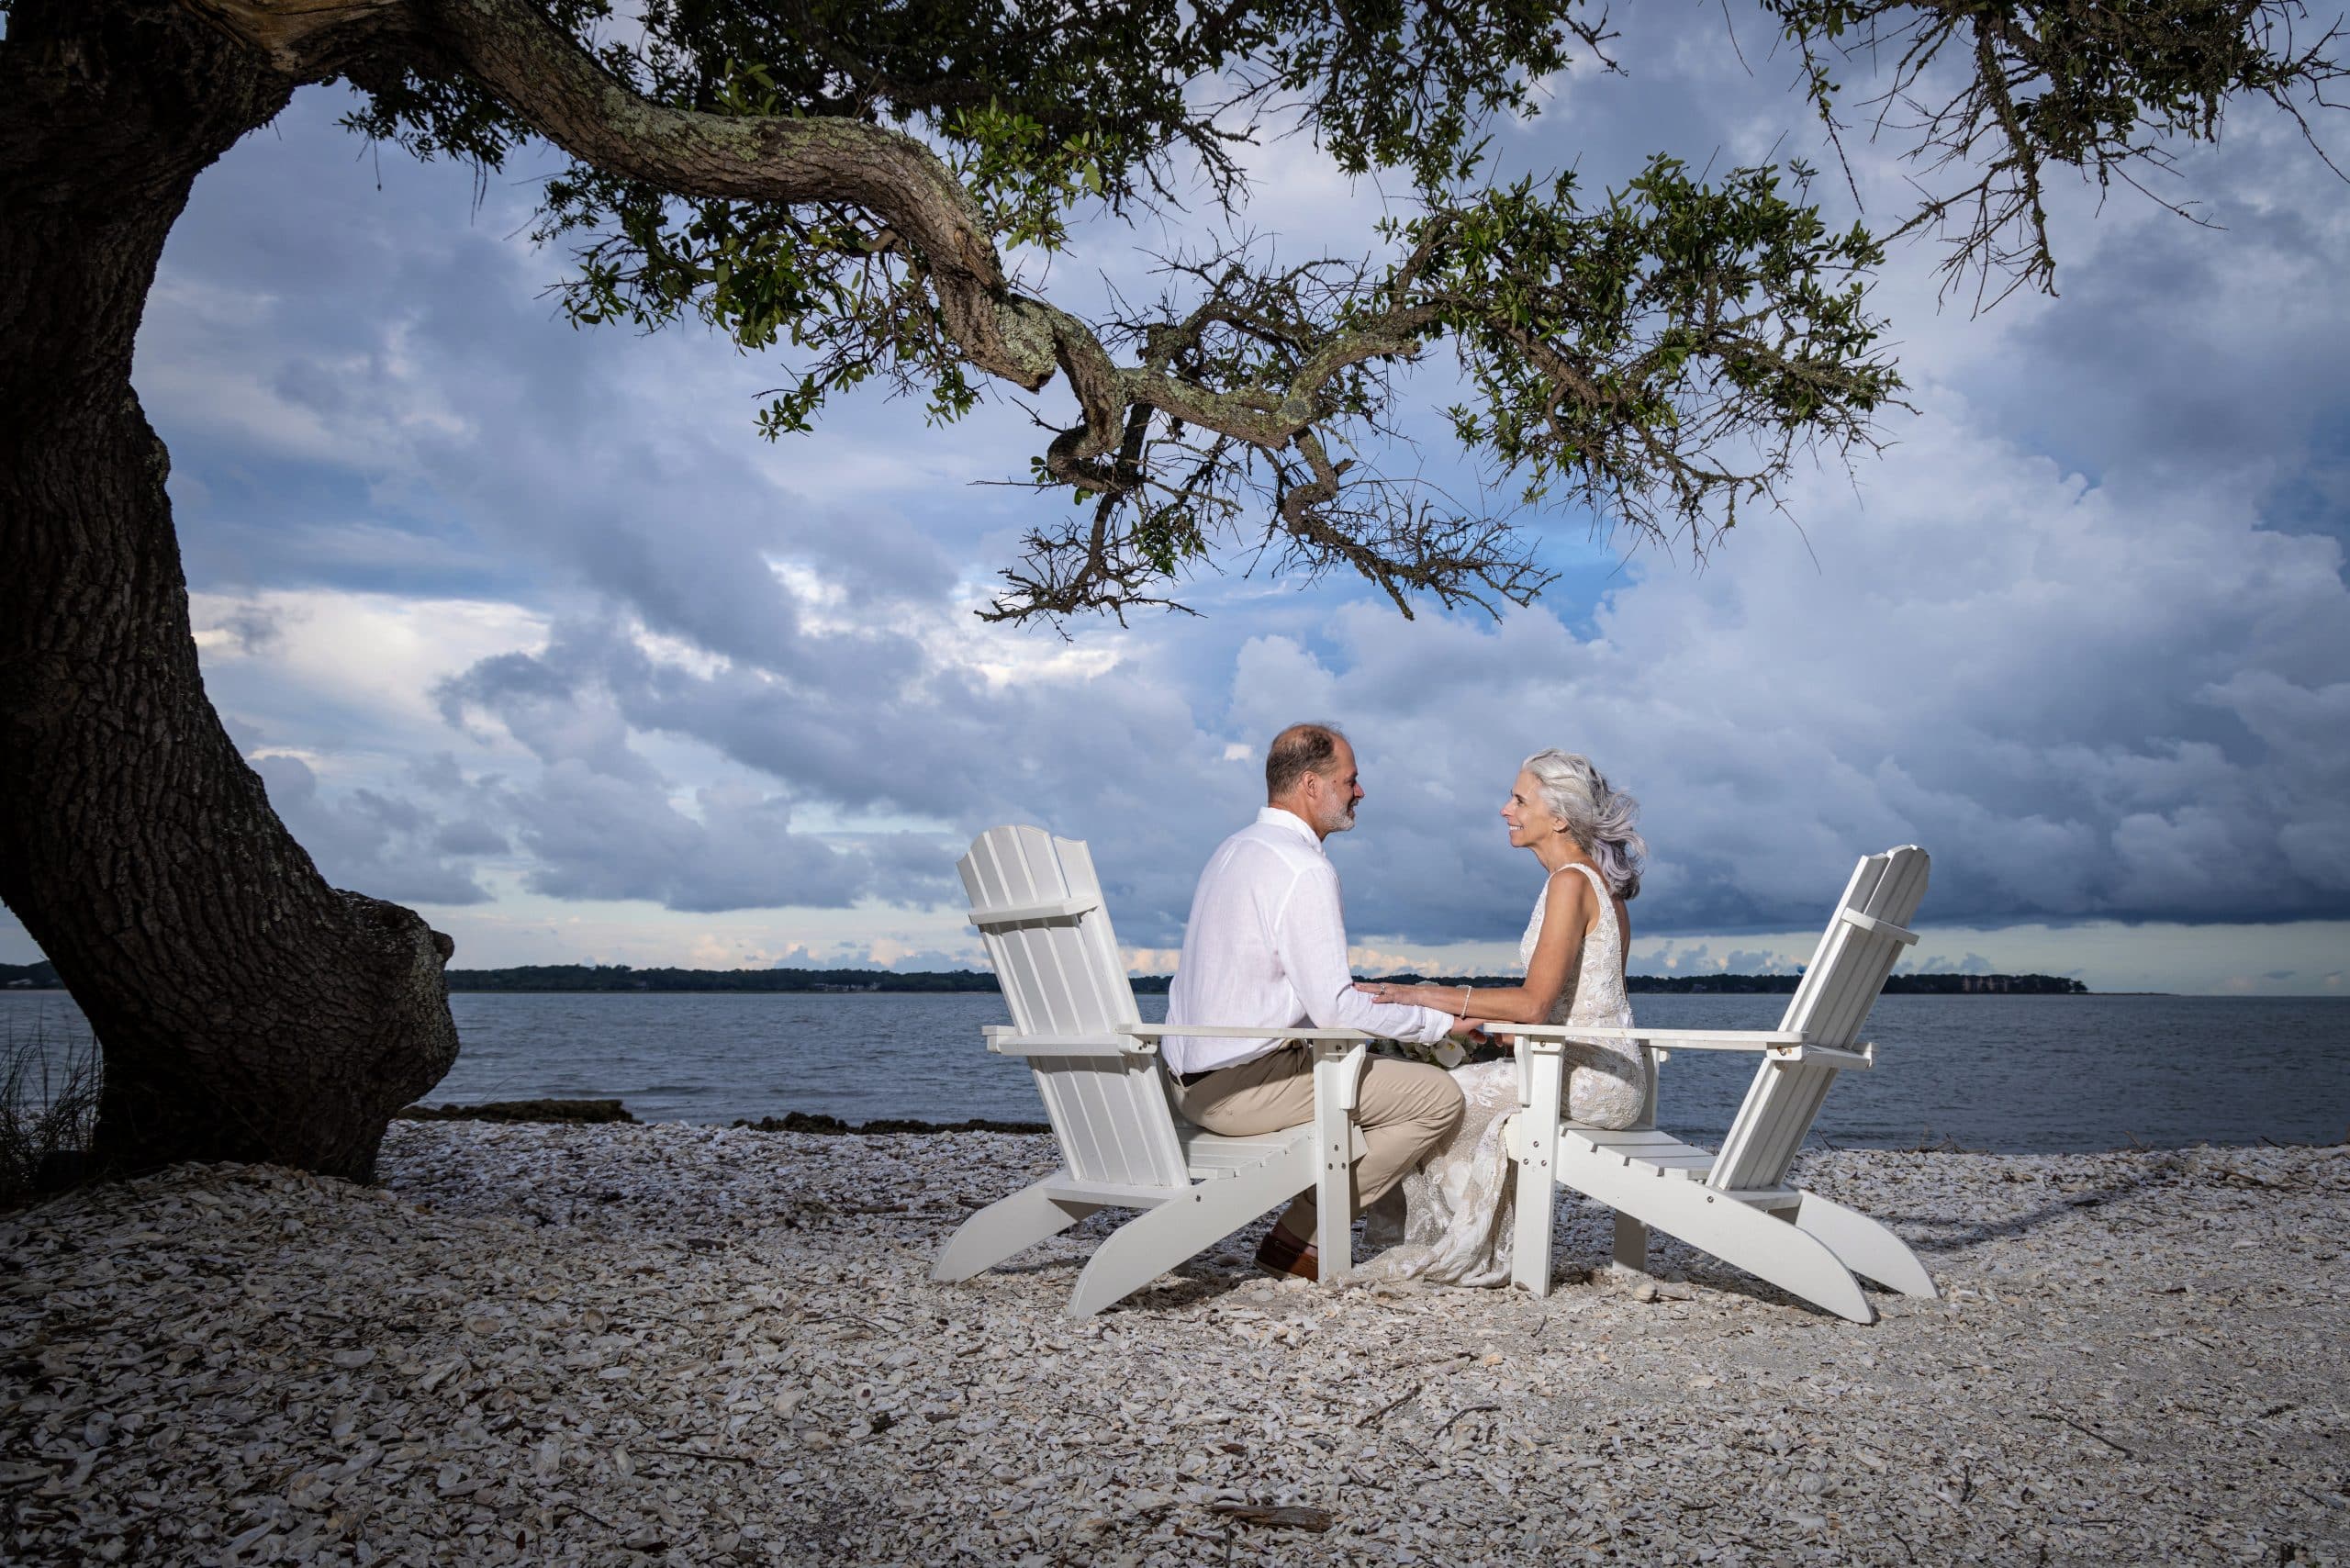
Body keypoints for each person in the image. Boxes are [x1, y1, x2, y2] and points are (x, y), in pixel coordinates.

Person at [1163, 722, 1483, 1282]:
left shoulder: (1234, 850)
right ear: (1312, 784)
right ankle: (1299, 1236)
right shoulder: (1304, 868)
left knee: (1378, 1073)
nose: (1360, 792)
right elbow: (1334, 1013)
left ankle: (1314, 1234)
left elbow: (1277, 986)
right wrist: (1440, 1024)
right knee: (1437, 1099)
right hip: (1241, 1088)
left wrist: (1379, 1004)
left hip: (1186, 1081)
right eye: (1351, 780)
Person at [1349, 750, 1648, 1287]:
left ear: (1559, 817)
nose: (1505, 810)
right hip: (1607, 1070)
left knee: (1442, 1100)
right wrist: (1507, 1032)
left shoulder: (1571, 882)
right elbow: (1578, 1003)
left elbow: (1534, 1003)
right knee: (1451, 1087)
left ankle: (1456, 1242)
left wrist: (1421, 996)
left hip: (1586, 1078)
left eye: (1518, 799)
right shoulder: (1595, 882)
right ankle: (1458, 1233)